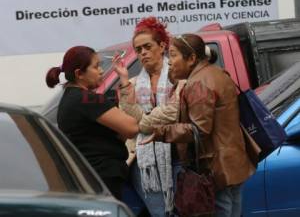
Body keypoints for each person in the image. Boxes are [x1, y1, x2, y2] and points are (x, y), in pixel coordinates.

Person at [140, 34, 256, 217]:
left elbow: (199, 129)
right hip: (232, 161)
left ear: (192, 58)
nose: (169, 62)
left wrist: (162, 132)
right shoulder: (217, 73)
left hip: (215, 166)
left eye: (173, 55)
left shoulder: (198, 83)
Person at [45, 46, 139, 200]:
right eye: (96, 67)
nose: (101, 71)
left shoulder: (70, 97)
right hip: (102, 178)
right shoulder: (87, 100)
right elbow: (131, 128)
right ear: (79, 74)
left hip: (90, 177)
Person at [117, 16, 174, 216]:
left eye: (147, 47)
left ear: (162, 45)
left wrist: (143, 123)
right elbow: (129, 118)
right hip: (144, 162)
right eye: (139, 49)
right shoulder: (133, 82)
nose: (143, 53)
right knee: (159, 213)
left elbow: (172, 113)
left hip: (177, 155)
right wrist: (124, 81)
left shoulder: (177, 75)